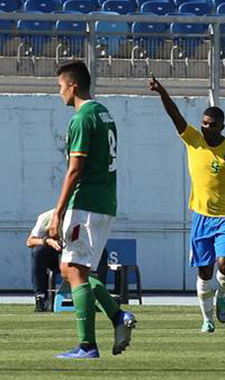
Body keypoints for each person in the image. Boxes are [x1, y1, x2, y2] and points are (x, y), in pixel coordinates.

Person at [148, 76, 225, 334]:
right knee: (204, 273)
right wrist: (162, 92)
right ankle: (207, 319)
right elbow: (175, 115)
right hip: (200, 217)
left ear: (222, 126)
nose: (207, 128)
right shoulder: (193, 139)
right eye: (204, 123)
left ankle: (222, 295)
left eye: (212, 125)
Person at [50, 60, 135, 359]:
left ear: (72, 85)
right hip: (104, 202)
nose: (59, 91)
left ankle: (87, 345)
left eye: (60, 86)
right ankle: (117, 316)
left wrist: (58, 211)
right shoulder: (104, 113)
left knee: (75, 270)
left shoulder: (82, 118)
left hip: (85, 204)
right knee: (70, 269)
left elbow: (75, 170)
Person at [26, 209, 62, 312]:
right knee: (38, 250)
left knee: (101, 252)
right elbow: (29, 242)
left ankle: (98, 295)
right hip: (56, 255)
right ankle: (40, 297)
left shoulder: (81, 216)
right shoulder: (46, 217)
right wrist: (47, 241)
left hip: (77, 253)